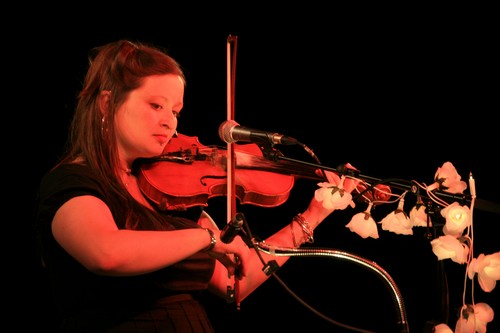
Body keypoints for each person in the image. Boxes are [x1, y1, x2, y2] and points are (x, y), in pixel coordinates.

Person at [33, 39, 356, 333]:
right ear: (106, 103)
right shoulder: (73, 182)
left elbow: (236, 283)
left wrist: (315, 214)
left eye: (175, 111)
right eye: (156, 106)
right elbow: (105, 253)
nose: (169, 121)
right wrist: (208, 238)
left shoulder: (164, 197)